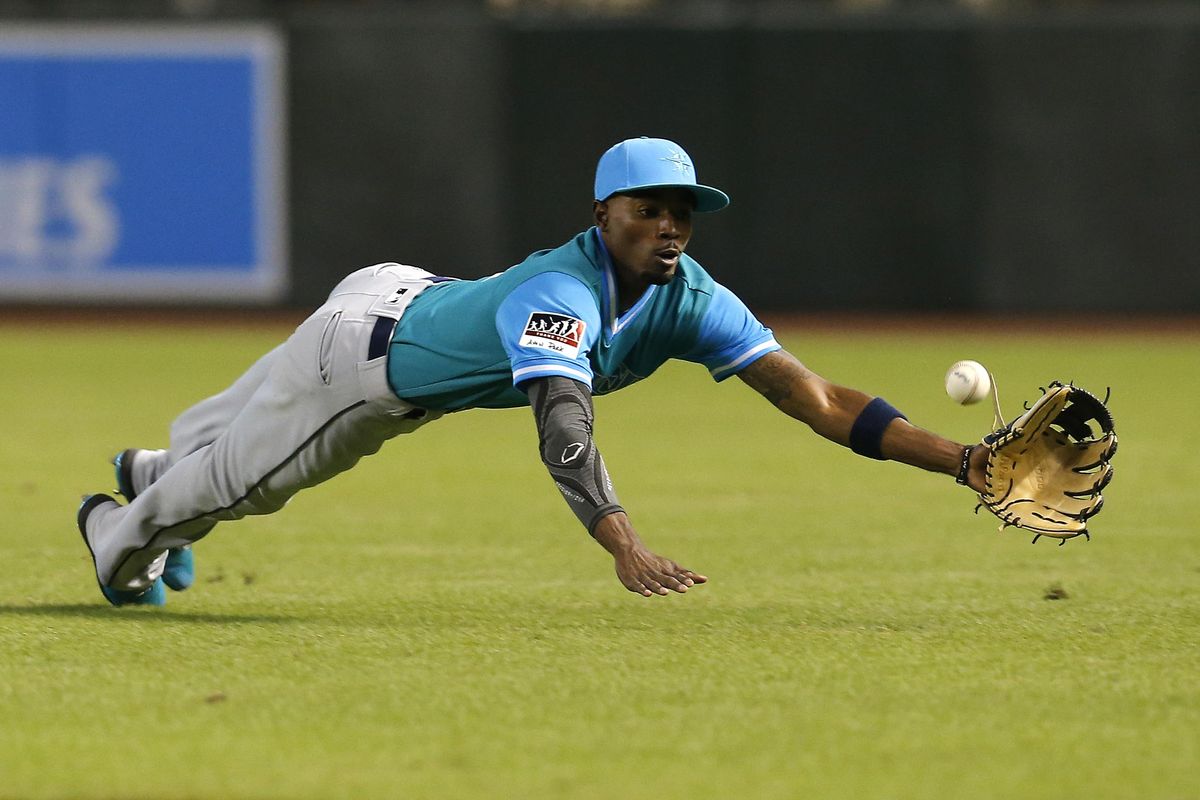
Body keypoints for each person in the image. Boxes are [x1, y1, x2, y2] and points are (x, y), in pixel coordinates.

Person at [77, 136, 988, 606]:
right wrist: (622, 539)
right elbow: (561, 420)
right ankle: (113, 534)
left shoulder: (693, 296)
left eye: (684, 211)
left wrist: (963, 461)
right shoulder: (566, 289)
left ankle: (150, 472)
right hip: (359, 371)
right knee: (243, 488)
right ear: (605, 211)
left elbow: (819, 397)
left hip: (397, 293)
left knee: (211, 445)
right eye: (649, 209)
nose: (670, 226)